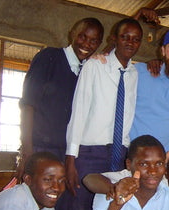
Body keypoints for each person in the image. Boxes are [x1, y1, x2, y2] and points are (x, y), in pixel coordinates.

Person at [61, 18, 143, 210]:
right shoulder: (94, 66)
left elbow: (127, 115)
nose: (130, 42)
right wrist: (71, 159)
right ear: (114, 39)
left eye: (136, 39)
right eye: (125, 37)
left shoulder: (134, 73)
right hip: (89, 153)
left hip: (118, 155)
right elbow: (79, 112)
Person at [17, 18, 104, 180]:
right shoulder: (49, 58)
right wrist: (27, 153)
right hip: (40, 150)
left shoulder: (87, 70)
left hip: (69, 154)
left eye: (94, 41)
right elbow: (28, 105)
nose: (86, 44)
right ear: (72, 34)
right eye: (82, 36)